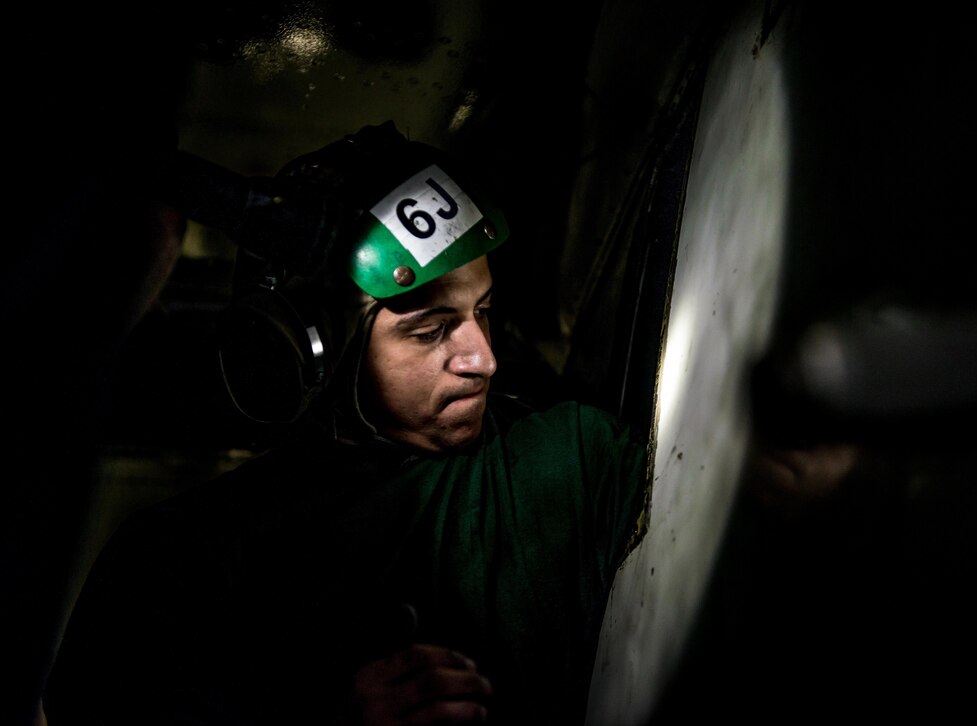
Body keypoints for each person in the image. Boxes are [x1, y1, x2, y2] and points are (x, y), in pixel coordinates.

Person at [42, 121, 653, 726]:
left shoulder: (574, 461)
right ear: (312, 353)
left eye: (483, 311)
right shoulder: (170, 571)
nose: (483, 360)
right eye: (430, 329)